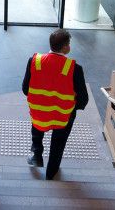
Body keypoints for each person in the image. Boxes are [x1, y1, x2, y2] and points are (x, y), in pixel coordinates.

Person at [22, 29, 88, 180]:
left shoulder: (34, 61)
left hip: (39, 113)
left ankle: (36, 153)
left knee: (37, 125)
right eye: (69, 44)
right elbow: (83, 100)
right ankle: (51, 172)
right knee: (58, 144)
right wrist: (70, 106)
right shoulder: (74, 68)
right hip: (63, 117)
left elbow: (26, 89)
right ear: (65, 47)